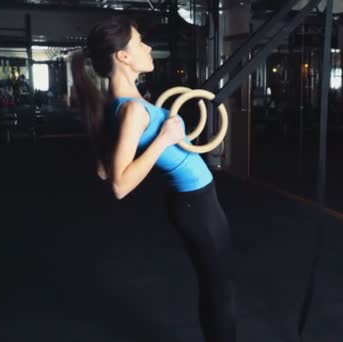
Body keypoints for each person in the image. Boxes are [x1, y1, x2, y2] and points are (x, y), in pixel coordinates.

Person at [70, 15, 236, 342]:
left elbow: (103, 169)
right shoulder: (132, 109)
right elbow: (118, 185)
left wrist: (161, 134)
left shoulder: (129, 103)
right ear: (123, 57)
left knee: (218, 284)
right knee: (220, 289)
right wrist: (162, 139)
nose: (148, 47)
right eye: (139, 42)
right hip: (196, 205)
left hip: (195, 201)